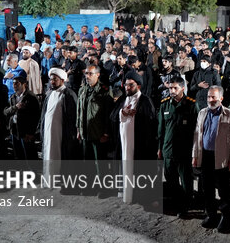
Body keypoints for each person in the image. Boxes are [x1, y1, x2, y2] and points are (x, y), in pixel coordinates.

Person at [192, 86, 230, 233]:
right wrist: (195, 155)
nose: (210, 100)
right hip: (205, 156)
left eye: (213, 97)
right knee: (207, 188)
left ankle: (225, 218)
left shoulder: (229, 115)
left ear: (221, 98)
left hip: (221, 158)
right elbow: (197, 135)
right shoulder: (202, 113)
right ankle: (211, 215)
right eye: (208, 97)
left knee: (223, 190)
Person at [109, 71, 158, 203]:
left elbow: (151, 123)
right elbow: (112, 117)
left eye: (131, 85)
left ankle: (140, 196)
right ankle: (125, 193)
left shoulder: (146, 101)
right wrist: (122, 112)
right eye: (125, 85)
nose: (127, 88)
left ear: (139, 86)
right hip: (123, 143)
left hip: (138, 144)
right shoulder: (122, 100)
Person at [157, 76, 197, 217]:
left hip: (184, 150)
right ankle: (175, 204)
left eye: (175, 88)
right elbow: (161, 129)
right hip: (168, 149)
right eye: (170, 88)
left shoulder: (191, 105)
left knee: (186, 180)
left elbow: (195, 131)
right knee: (171, 179)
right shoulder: (164, 104)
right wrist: (159, 148)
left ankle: (186, 206)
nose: (172, 91)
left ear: (183, 88)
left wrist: (194, 151)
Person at [77, 65, 114, 195]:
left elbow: (108, 114)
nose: (87, 76)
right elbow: (79, 111)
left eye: (90, 74)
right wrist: (78, 129)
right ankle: (90, 187)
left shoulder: (104, 91)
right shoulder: (82, 90)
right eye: (86, 73)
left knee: (101, 164)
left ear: (97, 75)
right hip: (85, 131)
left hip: (98, 133)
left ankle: (105, 189)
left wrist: (106, 132)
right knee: (87, 162)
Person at [39, 68, 79, 180]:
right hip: (48, 131)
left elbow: (73, 117)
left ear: (62, 80)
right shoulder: (49, 94)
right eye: (51, 79)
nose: (52, 82)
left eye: (55, 79)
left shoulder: (68, 94)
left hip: (61, 133)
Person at [3, 71, 40, 160]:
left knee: (29, 153)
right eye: (13, 83)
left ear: (24, 84)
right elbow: (5, 111)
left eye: (17, 83)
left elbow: (36, 116)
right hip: (15, 129)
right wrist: (15, 107)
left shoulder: (31, 97)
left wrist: (31, 132)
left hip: (26, 130)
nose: (14, 85)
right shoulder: (13, 97)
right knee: (18, 153)